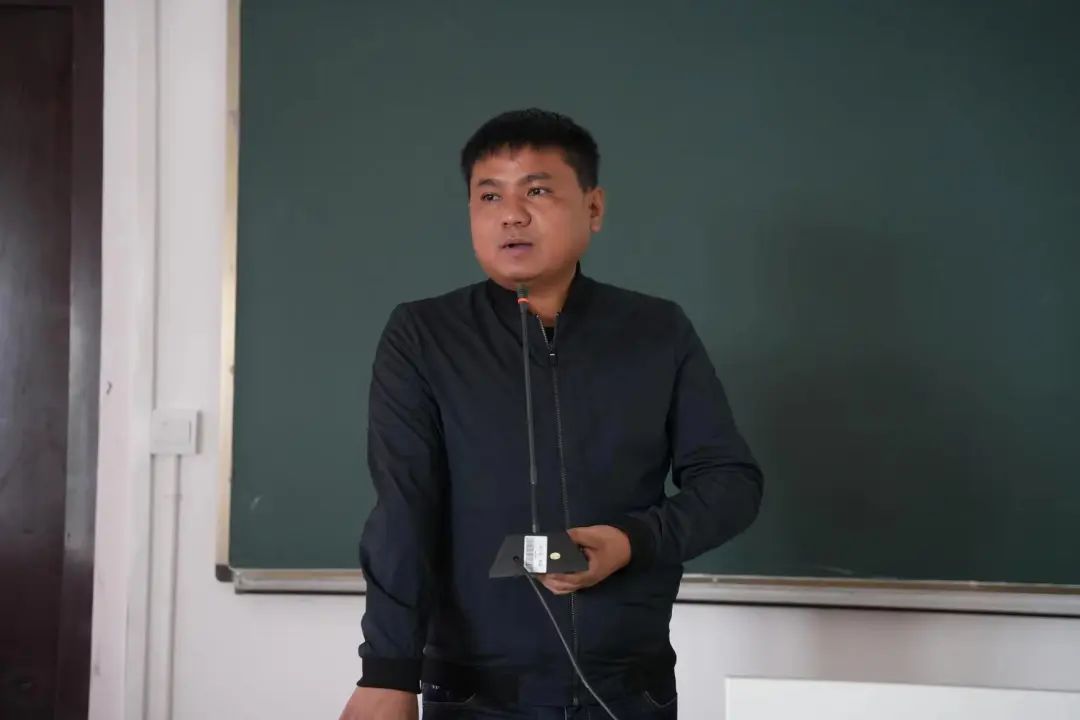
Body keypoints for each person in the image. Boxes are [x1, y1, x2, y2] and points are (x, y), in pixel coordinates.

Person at [339, 109, 763, 720]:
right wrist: (387, 672)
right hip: (475, 692)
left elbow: (730, 484)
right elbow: (404, 508)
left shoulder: (656, 331)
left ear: (593, 207)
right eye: (490, 196)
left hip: (629, 689)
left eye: (537, 191)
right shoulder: (423, 335)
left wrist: (631, 541)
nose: (511, 214)